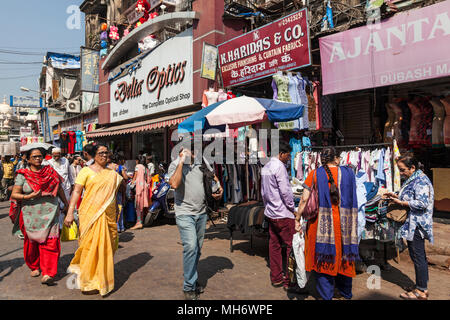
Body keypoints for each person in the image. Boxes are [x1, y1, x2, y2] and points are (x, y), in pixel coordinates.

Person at [295, 147, 359, 300]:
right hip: (346, 225)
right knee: (345, 258)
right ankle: (345, 294)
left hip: (321, 227)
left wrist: (297, 218)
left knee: (324, 260)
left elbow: (304, 200)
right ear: (336, 159)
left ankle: (326, 295)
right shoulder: (349, 173)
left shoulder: (315, 174)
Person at [64, 144, 123, 296]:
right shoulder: (85, 171)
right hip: (89, 214)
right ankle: (88, 282)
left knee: (107, 247)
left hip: (108, 215)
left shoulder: (113, 173)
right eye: (101, 153)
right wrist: (70, 213)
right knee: (89, 248)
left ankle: (102, 280)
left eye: (106, 153)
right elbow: (76, 192)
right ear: (93, 155)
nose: (104, 155)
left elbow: (115, 194)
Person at [168, 147, 223, 300]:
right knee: (191, 246)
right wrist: (181, 163)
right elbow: (174, 184)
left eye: (192, 150)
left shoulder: (202, 162)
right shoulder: (175, 164)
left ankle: (191, 276)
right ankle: (189, 286)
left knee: (197, 249)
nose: (190, 153)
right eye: (186, 150)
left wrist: (218, 189)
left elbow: (213, 178)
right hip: (184, 213)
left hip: (201, 213)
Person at [10, 148, 69, 285]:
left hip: (51, 212)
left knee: (51, 243)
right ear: (28, 159)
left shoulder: (50, 171)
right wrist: (28, 196)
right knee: (32, 244)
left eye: (40, 156)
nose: (38, 159)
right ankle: (34, 266)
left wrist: (66, 203)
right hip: (30, 214)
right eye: (34, 156)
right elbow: (14, 194)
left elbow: (59, 188)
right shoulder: (22, 175)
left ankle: (48, 272)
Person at [384, 154, 434, 300]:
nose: (401, 173)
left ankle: (421, 291)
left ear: (412, 168)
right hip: (413, 224)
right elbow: (408, 195)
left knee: (418, 257)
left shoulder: (421, 181)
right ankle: (420, 285)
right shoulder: (413, 178)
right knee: (417, 256)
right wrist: (395, 195)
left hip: (417, 225)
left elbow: (422, 203)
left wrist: (402, 203)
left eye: (403, 169)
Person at [260, 141, 296, 291]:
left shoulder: (266, 167)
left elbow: (263, 192)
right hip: (283, 214)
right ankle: (289, 280)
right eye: (288, 155)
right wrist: (293, 208)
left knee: (274, 245)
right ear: (281, 154)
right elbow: (286, 192)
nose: (289, 158)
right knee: (290, 247)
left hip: (271, 213)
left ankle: (276, 277)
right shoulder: (279, 167)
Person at [129, 156, 150, 230]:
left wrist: (131, 183)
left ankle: (138, 223)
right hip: (145, 188)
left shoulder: (138, 166)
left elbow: (134, 177)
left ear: (138, 160)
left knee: (138, 205)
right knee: (141, 206)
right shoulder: (146, 168)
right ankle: (140, 221)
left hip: (139, 188)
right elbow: (149, 179)